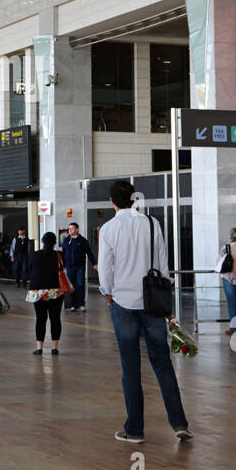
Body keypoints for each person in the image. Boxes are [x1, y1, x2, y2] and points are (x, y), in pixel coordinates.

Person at [97, 179, 192, 443]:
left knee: (131, 369)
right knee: (162, 364)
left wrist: (108, 291)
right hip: (152, 303)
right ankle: (179, 423)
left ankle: (135, 430)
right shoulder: (152, 224)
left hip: (123, 303)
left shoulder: (108, 229)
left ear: (112, 202)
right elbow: (162, 265)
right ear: (133, 199)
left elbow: (105, 269)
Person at [28, 231, 65, 355]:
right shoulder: (59, 255)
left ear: (43, 242)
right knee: (55, 319)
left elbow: (29, 270)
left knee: (40, 319)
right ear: (55, 243)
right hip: (55, 291)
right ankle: (55, 348)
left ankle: (39, 348)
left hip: (38, 291)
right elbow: (63, 270)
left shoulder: (34, 255)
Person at [61, 222, 96, 313]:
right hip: (69, 267)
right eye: (69, 229)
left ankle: (81, 304)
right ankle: (72, 305)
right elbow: (63, 254)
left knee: (80, 285)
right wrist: (62, 266)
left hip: (80, 266)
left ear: (77, 229)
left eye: (72, 228)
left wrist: (94, 263)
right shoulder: (66, 240)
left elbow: (89, 253)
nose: (70, 230)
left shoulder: (83, 240)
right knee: (71, 286)